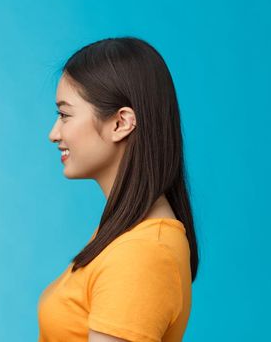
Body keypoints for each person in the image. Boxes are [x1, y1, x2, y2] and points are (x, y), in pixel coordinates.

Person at [38, 37, 200, 342]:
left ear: (120, 123)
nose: (53, 133)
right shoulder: (123, 233)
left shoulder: (144, 252)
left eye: (65, 114)